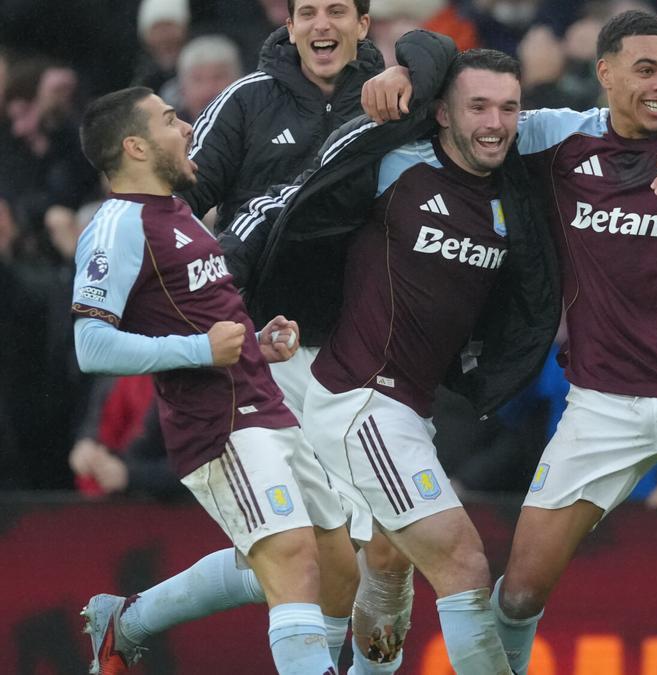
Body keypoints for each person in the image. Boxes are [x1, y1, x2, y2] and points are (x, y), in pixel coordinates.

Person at [361, 11, 657, 673]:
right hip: (600, 405)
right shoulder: (555, 137)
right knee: (517, 593)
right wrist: (407, 73)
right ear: (604, 73)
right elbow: (470, 114)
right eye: (646, 69)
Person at [91, 5, 428, 672]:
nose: (320, 24)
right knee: (297, 553)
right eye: (308, 11)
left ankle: (129, 619)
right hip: (263, 353)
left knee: (375, 553)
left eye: (337, 10)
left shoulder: (400, 100)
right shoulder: (247, 101)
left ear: (364, 23)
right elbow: (172, 205)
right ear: (292, 22)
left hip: (369, 359)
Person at [226, 45, 559, 673]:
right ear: (439, 113)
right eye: (478, 106)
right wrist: (410, 64)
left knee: (386, 560)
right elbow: (293, 202)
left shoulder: (516, 195)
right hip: (358, 397)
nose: (495, 122)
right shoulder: (392, 164)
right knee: (461, 560)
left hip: (415, 404)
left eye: (509, 108)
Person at [71, 87, 340, 675]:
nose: (189, 127)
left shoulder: (178, 213)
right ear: (136, 146)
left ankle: (129, 622)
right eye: (170, 120)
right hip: (218, 425)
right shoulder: (116, 226)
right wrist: (200, 348)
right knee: (291, 558)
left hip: (263, 403)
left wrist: (256, 346)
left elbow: (197, 316)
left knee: (336, 564)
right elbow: (90, 346)